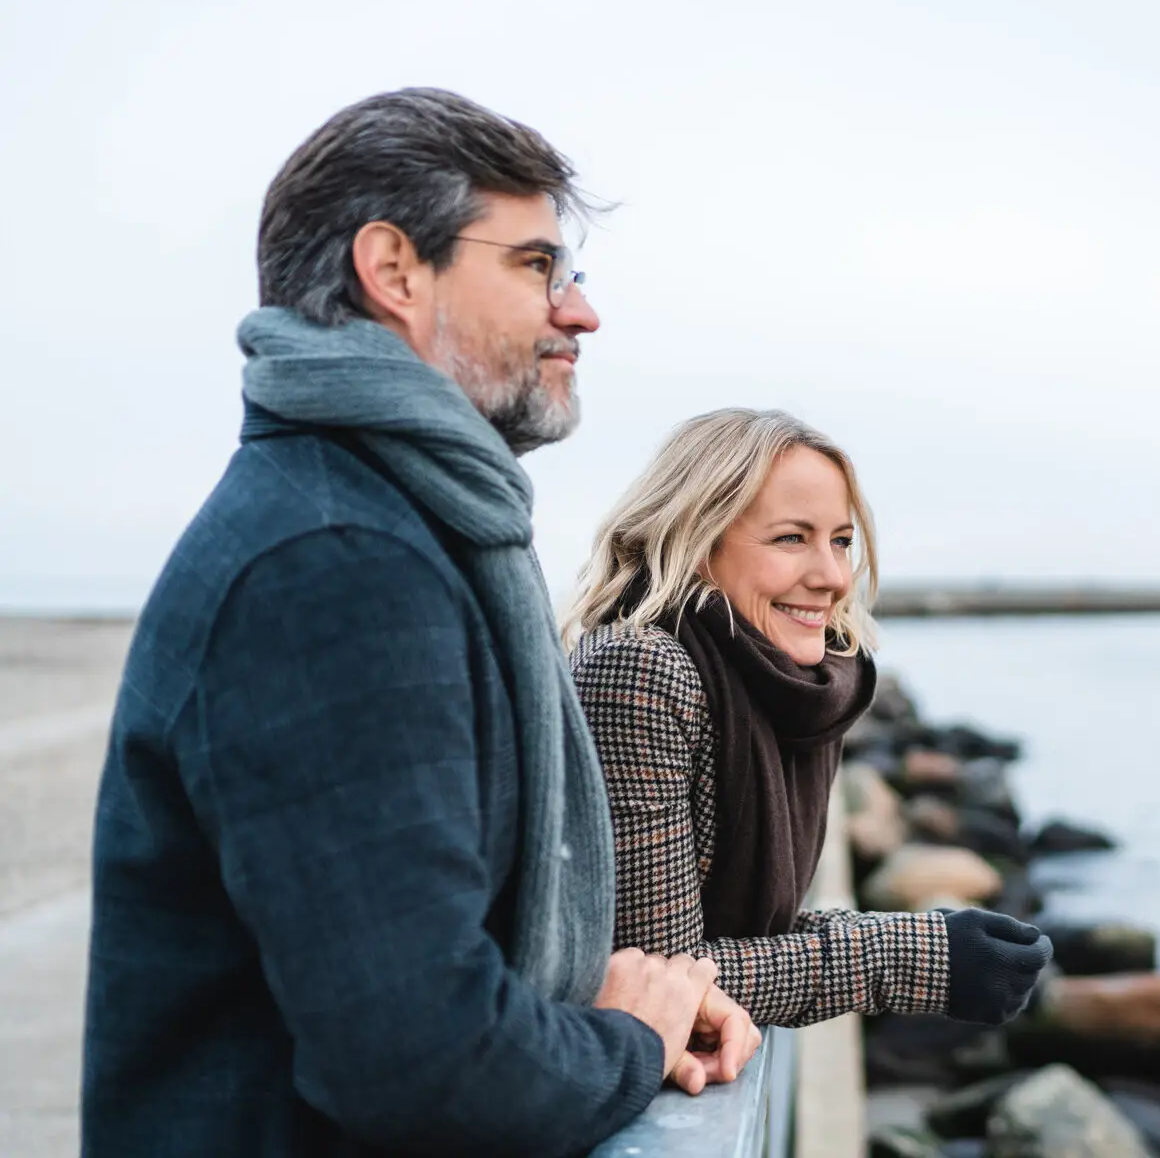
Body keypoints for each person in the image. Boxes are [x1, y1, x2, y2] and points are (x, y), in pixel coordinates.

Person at [83, 88, 754, 1158]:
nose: (580, 313)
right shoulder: (333, 566)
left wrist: (594, 1021)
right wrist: (625, 1038)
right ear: (394, 271)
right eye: (538, 267)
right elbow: (427, 1066)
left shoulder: (395, 529)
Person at [564, 409, 1052, 1029]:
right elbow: (660, 981)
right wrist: (925, 960)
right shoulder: (639, 669)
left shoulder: (788, 686)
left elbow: (753, 932)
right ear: (694, 540)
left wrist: (942, 936)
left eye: (841, 541)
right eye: (792, 538)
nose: (832, 577)